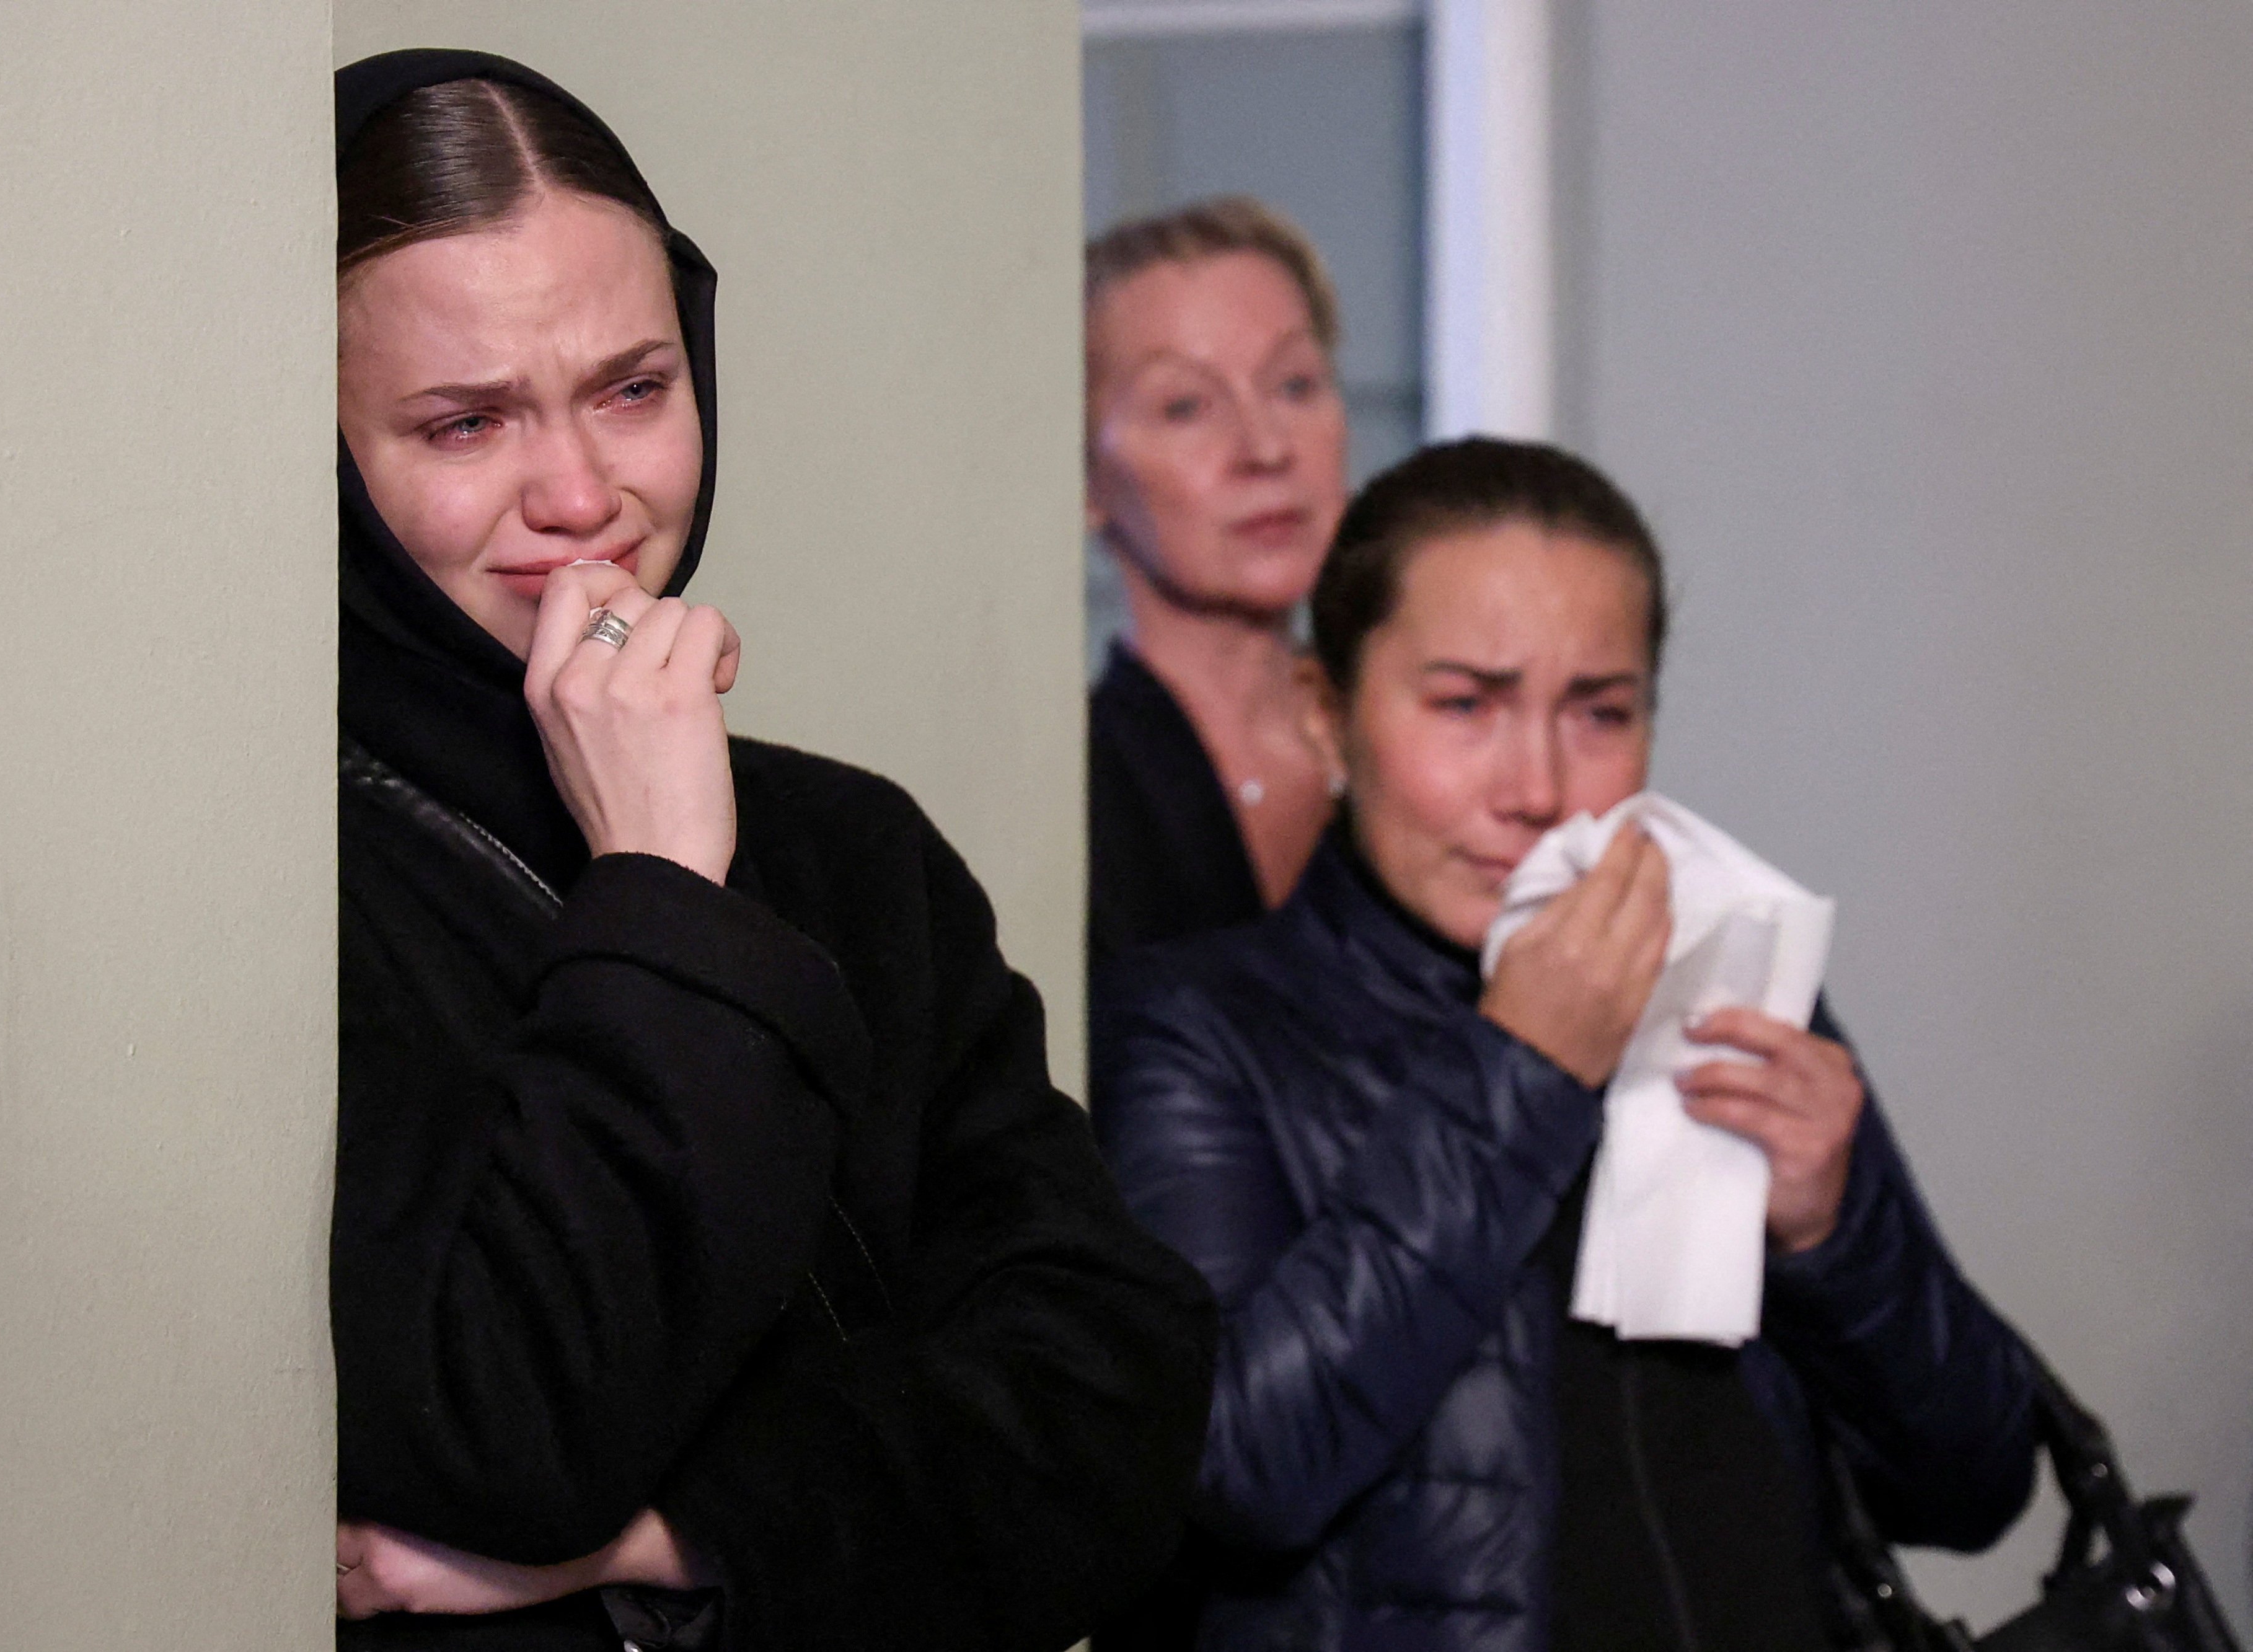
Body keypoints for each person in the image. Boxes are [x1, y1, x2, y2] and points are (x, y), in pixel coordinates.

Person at [329, 50, 1215, 1652]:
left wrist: (675, 1533)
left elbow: (1116, 1408)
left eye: (631, 388)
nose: (582, 496)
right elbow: (506, 1433)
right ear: (317, 458)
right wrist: (660, 887)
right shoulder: (287, 899)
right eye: (464, 424)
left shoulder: (850, 852)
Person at [1091, 437, 2039, 1651]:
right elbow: (1227, 1475)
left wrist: (1836, 1231)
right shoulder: (1200, 1028)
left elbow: (1973, 1485)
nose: (1535, 785)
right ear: (1324, 717)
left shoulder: (1724, 988)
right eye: (1463, 705)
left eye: (1597, 712)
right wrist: (1521, 1070)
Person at [1086, 198, 1351, 968]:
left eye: (1295, 385)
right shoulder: (1072, 796)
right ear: (1085, 478)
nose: (1265, 447)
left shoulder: (1426, 757)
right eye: (1185, 406)